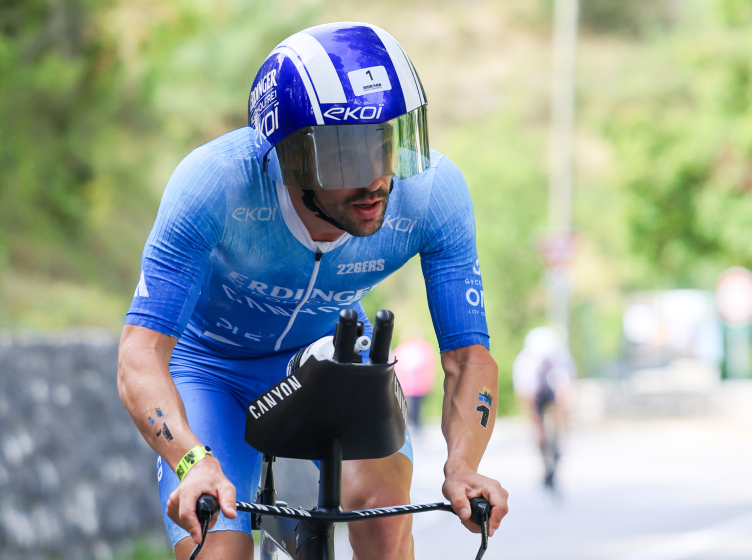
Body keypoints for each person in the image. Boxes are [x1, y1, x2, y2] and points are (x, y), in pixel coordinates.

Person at [117, 22, 507, 560]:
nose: (376, 180)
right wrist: (191, 461)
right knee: (218, 549)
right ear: (293, 157)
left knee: (384, 514)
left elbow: (469, 359)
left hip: (331, 360)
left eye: (385, 145)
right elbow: (139, 355)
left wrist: (463, 466)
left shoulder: (433, 194)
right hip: (210, 366)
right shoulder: (215, 184)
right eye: (346, 156)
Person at [512, 326, 576, 489]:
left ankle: (559, 444)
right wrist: (536, 423)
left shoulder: (561, 358)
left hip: (553, 388)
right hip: (535, 392)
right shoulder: (525, 362)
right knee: (537, 427)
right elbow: (527, 397)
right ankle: (544, 461)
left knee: (564, 411)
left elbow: (566, 388)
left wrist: (565, 415)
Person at [394, 336, 436, 428]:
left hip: (417, 385)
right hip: (407, 385)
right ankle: (410, 425)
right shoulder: (405, 348)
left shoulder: (423, 349)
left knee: (415, 408)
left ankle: (414, 426)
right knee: (408, 407)